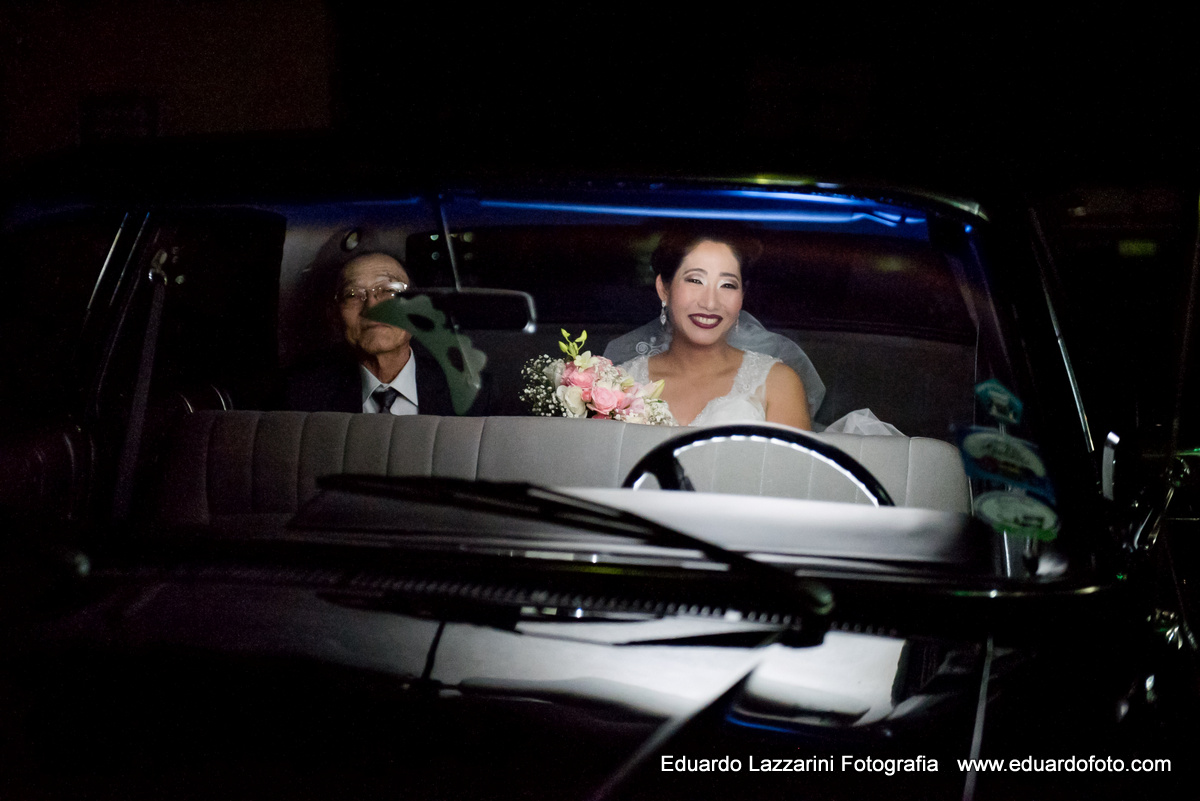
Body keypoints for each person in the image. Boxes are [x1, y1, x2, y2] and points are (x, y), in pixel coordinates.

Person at [616, 231, 812, 429]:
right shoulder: (620, 383)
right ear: (663, 288)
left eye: (727, 285)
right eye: (695, 281)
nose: (710, 303)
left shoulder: (777, 384)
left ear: (742, 296)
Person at [283, 251, 460, 415]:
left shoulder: (471, 393)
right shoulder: (301, 396)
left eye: (389, 290)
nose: (372, 307)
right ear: (335, 315)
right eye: (352, 295)